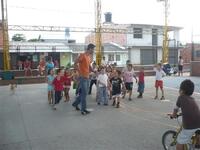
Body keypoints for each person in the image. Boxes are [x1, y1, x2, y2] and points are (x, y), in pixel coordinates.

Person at [169, 79, 200, 150]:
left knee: (179, 142)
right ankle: (197, 143)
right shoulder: (192, 99)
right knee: (196, 132)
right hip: (199, 123)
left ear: (182, 90)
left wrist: (173, 115)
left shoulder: (180, 98)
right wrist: (182, 113)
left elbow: (175, 109)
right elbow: (190, 110)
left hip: (190, 126)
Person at [72, 43, 95, 115]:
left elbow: (88, 66)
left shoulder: (88, 57)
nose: (93, 51)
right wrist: (79, 71)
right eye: (93, 49)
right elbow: (75, 63)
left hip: (87, 77)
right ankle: (83, 109)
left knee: (84, 93)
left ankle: (75, 103)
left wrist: (93, 71)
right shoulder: (83, 55)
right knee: (84, 94)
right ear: (90, 49)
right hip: (83, 77)